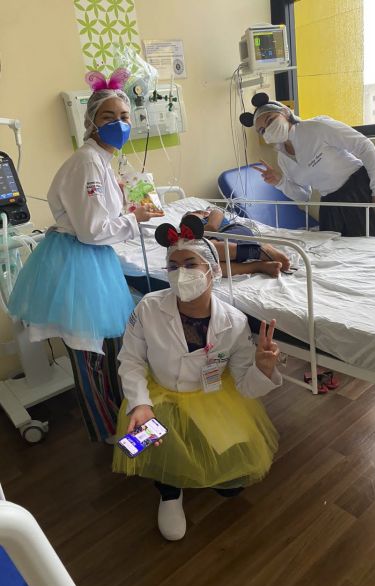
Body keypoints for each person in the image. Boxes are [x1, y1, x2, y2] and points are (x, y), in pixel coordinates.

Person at [8, 68, 163, 442]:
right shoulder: (87, 163)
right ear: (91, 121)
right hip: (78, 261)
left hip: (92, 260)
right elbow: (92, 230)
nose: (119, 124)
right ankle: (109, 433)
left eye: (124, 116)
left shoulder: (102, 161)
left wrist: (127, 205)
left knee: (108, 347)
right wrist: (134, 219)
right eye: (109, 117)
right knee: (90, 353)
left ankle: (122, 423)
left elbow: (98, 216)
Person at [113, 214, 281, 541]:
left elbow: (246, 387)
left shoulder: (234, 322)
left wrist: (263, 367)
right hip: (159, 398)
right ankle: (169, 492)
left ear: (213, 270)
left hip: (211, 398)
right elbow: (130, 359)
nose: (181, 273)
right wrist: (140, 405)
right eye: (173, 266)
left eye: (190, 264)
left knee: (232, 488)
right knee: (159, 450)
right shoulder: (148, 308)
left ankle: (198, 467)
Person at [240, 92, 375, 238]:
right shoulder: (283, 159)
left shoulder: (316, 128)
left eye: (270, 120)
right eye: (262, 130)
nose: (268, 129)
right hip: (331, 204)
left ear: (285, 113)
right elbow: (304, 196)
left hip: (360, 189)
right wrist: (280, 182)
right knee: (347, 253)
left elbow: (364, 146)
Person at [185, 208, 290, 275]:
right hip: (228, 250)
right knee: (211, 267)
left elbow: (212, 227)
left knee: (209, 249)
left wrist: (195, 239)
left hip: (235, 232)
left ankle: (261, 251)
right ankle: (259, 266)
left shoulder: (214, 213)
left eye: (190, 218)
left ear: (204, 213)